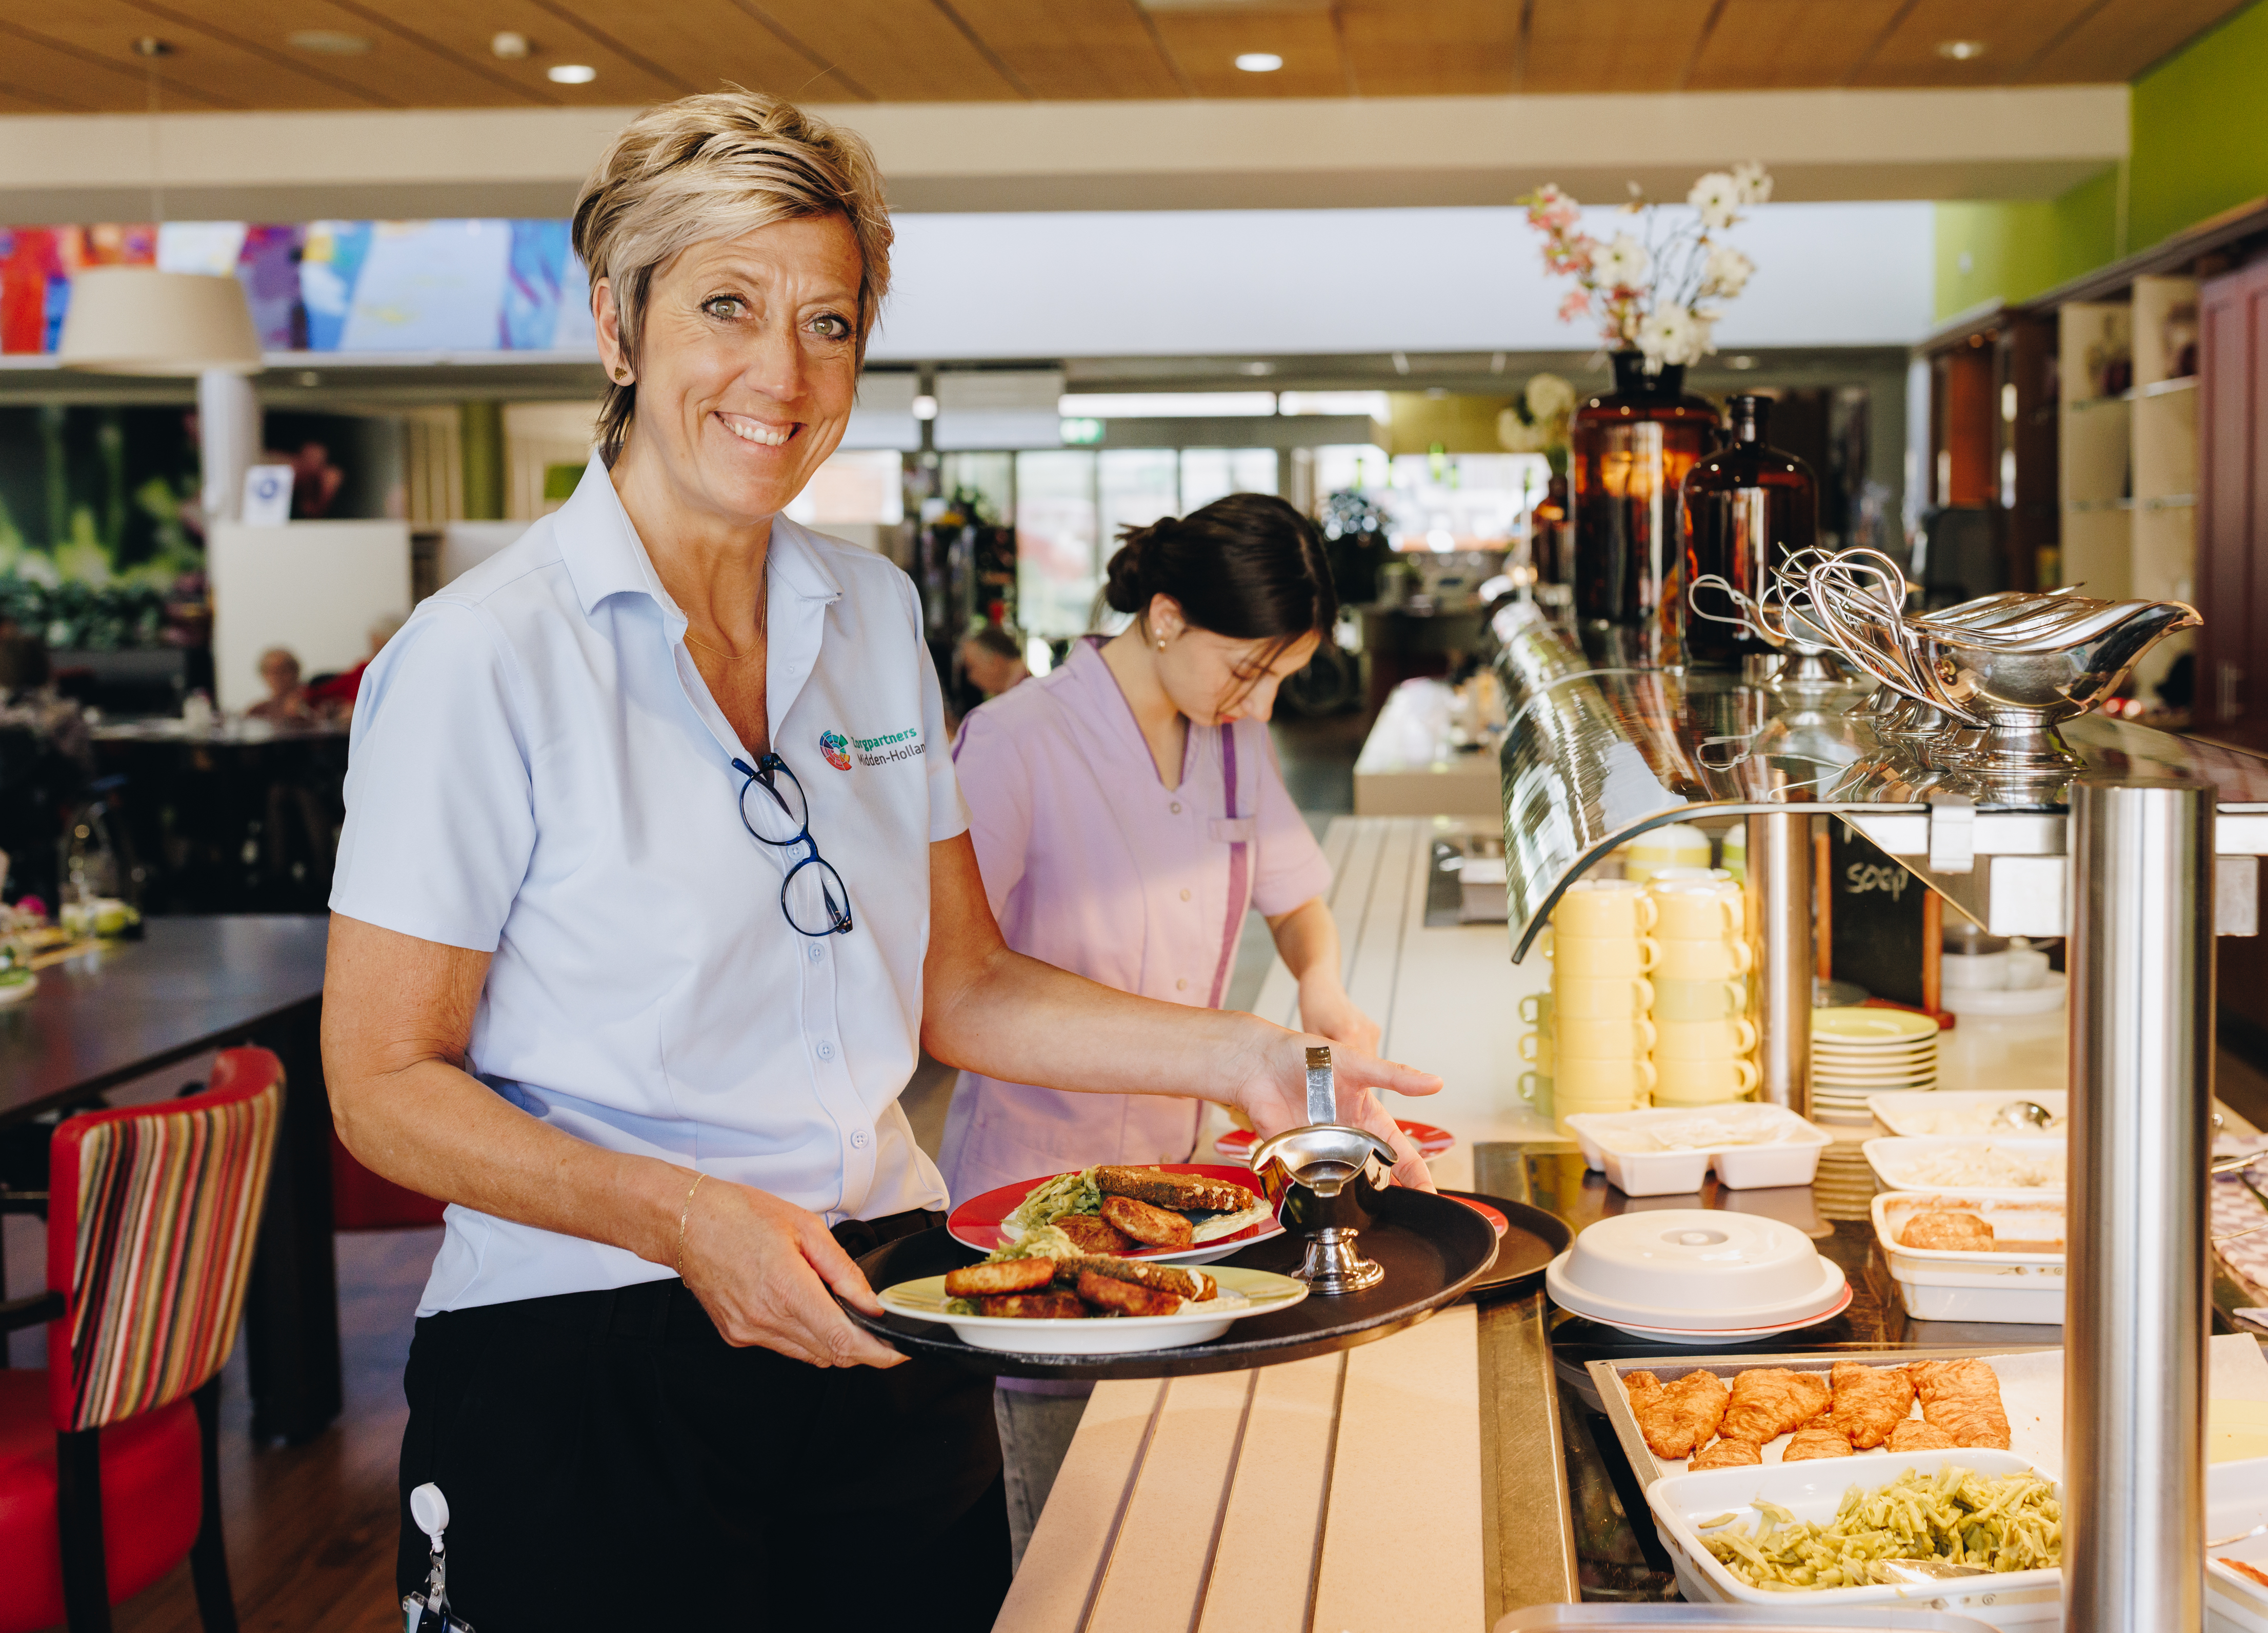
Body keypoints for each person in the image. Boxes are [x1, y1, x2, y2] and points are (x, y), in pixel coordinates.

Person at [318, 91, 1439, 1633]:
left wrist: (1251, 1049)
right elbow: (380, 1079)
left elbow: (960, 985)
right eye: (728, 305)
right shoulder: (481, 657)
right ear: (618, 327)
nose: (782, 374)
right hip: (584, 1339)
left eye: (829, 321)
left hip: (879, 1298)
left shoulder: (866, 616)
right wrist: (686, 1217)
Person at [935, 492, 1380, 1558]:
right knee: (1059, 1516)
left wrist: (1320, 984)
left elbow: (1293, 892)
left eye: (1282, 677)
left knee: (1162, 1509)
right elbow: (949, 977)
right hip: (1033, 1180)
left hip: (1181, 1182)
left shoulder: (1226, 742)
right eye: (1251, 668)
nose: (1263, 704)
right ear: (1168, 615)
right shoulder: (1017, 742)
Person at [957, 622, 1029, 698]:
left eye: (971, 668)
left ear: (996, 663)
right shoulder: (1026, 689)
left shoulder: (1024, 697)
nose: (970, 678)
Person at [246, 646, 310, 721]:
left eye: (284, 671)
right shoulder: (257, 711)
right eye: (271, 672)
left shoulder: (313, 702)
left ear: (296, 672)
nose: (277, 677)